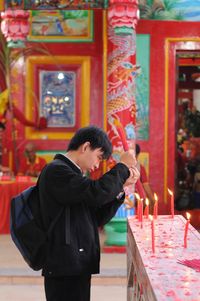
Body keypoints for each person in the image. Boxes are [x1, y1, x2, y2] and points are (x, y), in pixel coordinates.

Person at [38, 125, 139, 301]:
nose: (97, 165)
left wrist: (121, 188)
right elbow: (95, 193)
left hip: (76, 261)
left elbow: (96, 216)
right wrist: (121, 167)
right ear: (85, 147)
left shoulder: (73, 176)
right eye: (99, 157)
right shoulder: (56, 171)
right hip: (64, 261)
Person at [135, 144, 155, 214]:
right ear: (138, 154)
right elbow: (145, 185)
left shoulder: (120, 167)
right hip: (137, 202)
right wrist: (152, 199)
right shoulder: (140, 168)